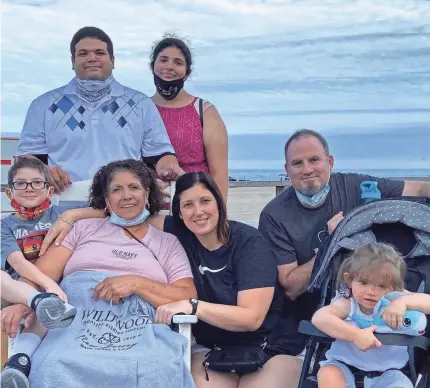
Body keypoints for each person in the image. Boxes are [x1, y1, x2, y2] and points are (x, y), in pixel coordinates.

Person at [3, 159, 197, 388]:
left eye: (134, 187)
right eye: (117, 189)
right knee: (52, 363)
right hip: (75, 320)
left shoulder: (166, 242)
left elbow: (186, 294)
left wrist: (136, 283)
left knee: (157, 368)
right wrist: (21, 301)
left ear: (147, 194)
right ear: (106, 200)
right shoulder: (82, 228)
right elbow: (41, 274)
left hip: (138, 324)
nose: (126, 196)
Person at [148, 172, 303, 388]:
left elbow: (251, 318)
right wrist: (86, 212)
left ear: (219, 204)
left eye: (205, 201)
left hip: (271, 347)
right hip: (214, 350)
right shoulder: (181, 233)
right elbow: (126, 215)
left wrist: (193, 307)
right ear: (180, 214)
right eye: (188, 205)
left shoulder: (249, 243)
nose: (198, 212)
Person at [258, 129, 430, 322]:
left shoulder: (358, 186)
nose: (307, 170)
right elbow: (291, 288)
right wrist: (333, 241)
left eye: (314, 160)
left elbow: (416, 188)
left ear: (330, 162)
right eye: (297, 163)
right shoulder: (274, 215)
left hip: (374, 303)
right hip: (311, 311)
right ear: (287, 169)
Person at [17, 26, 182, 193]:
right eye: (83, 54)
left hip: (125, 205)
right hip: (62, 203)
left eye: (100, 52)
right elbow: (27, 158)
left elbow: (160, 154)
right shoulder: (43, 105)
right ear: (72, 62)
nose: (92, 58)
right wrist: (42, 171)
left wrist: (168, 167)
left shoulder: (141, 104)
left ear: (113, 60)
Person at [1, 157, 103, 388]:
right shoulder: (5, 226)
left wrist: (73, 216)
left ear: (49, 189)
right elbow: (16, 262)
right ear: (9, 192)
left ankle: (19, 362)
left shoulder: (61, 212)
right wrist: (48, 285)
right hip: (20, 289)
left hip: (58, 291)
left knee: (48, 308)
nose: (29, 188)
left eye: (36, 182)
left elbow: (105, 212)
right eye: (21, 183)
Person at [312, 242, 430, 388]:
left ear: (395, 287)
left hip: (389, 372)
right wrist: (356, 335)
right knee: (328, 374)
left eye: (381, 286)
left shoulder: (395, 299)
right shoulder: (348, 303)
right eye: (363, 282)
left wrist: (404, 302)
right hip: (344, 366)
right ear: (349, 280)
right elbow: (320, 317)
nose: (371, 291)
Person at [150, 34, 228, 200]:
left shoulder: (204, 111)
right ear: (153, 66)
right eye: (163, 60)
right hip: (148, 209)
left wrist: (220, 218)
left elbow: (219, 174)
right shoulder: (141, 109)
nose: (169, 66)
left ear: (187, 72)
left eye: (178, 62)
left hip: (194, 207)